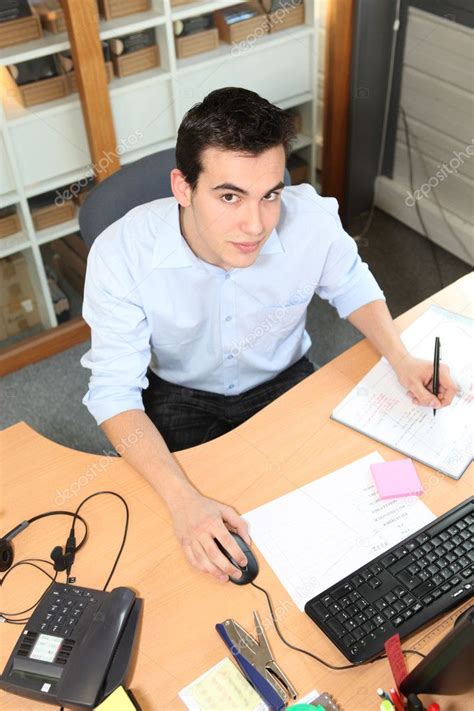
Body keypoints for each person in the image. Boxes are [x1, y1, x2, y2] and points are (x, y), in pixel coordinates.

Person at [81, 87, 457, 584]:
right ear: (182, 187)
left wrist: (401, 357)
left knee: (341, 521)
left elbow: (350, 283)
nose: (255, 224)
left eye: (270, 194)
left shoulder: (311, 220)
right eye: (230, 196)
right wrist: (183, 501)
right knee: (187, 548)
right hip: (180, 393)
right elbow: (113, 392)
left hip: (285, 379)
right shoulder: (122, 254)